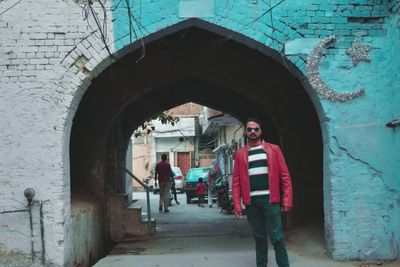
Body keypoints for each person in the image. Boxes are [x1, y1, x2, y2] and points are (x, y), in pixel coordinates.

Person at [232, 117, 292, 267]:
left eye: (256, 129)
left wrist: (287, 200)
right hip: (251, 203)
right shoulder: (240, 154)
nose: (253, 132)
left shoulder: (274, 150)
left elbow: (285, 176)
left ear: (261, 131)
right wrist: (237, 205)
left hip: (271, 201)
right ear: (245, 131)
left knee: (277, 238)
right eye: (249, 129)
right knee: (259, 238)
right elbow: (236, 181)